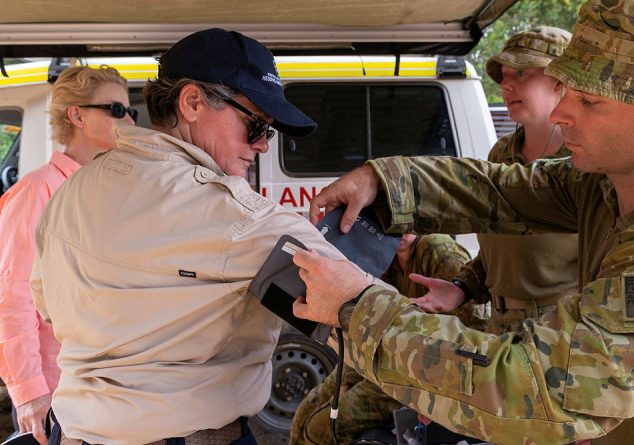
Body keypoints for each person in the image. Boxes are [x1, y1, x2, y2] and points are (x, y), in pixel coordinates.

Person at [293, 1, 634, 444]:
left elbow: (535, 389)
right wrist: (385, 181)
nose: (564, 113)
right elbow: (499, 189)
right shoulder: (609, 186)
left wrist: (355, 306)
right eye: (569, 91)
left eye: (592, 101)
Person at [29, 28, 374, 445]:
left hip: (76, 432)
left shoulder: (69, 194)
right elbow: (367, 316)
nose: (263, 146)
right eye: (256, 126)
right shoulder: (236, 218)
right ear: (192, 102)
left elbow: (47, 306)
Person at [414, 26, 579, 335]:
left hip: (561, 337)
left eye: (522, 73)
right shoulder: (502, 153)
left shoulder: (589, 162)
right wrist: (461, 287)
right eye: (503, 75)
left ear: (563, 80)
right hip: (501, 331)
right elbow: (497, 251)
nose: (505, 85)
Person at [0, 65, 133, 445]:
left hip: (110, 388)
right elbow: (12, 296)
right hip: (58, 391)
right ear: (76, 115)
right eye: (117, 110)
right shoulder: (36, 191)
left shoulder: (114, 190)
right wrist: (29, 392)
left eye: (130, 112)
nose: (128, 120)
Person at [291, 233, 471, 445]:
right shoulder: (385, 256)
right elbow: (365, 328)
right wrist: (348, 380)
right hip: (384, 362)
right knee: (305, 413)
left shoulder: (440, 254)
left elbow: (476, 338)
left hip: (421, 377)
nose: (398, 229)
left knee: (320, 428)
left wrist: (438, 396)